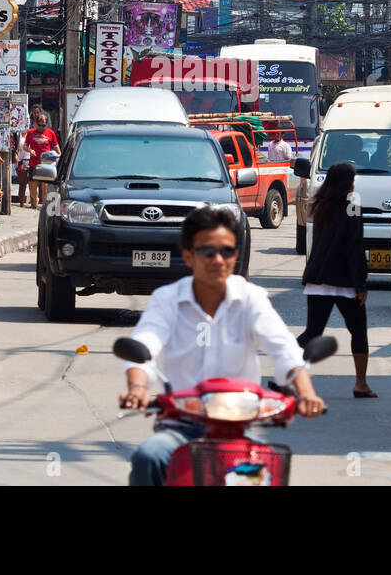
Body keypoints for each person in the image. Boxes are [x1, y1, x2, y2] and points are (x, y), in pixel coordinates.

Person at [120, 207, 326, 486]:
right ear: (189, 255)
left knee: (265, 470)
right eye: (208, 252)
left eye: (227, 251)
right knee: (150, 455)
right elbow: (145, 346)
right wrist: (138, 389)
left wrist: (306, 394)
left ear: (236, 255)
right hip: (180, 427)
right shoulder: (167, 299)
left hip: (237, 427)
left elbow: (283, 348)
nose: (218, 260)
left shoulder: (251, 298)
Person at [299, 161, 374, 397]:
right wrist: (361, 284)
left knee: (312, 332)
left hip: (318, 278)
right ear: (345, 183)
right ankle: (360, 384)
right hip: (343, 280)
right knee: (358, 331)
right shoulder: (352, 207)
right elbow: (354, 248)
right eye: (351, 180)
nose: (354, 184)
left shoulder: (320, 205)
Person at [24, 108, 58, 210]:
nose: (42, 128)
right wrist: (30, 150)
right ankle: (34, 203)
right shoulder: (30, 133)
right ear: (36, 124)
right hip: (33, 164)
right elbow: (25, 146)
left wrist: (58, 158)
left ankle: (44, 205)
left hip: (46, 165)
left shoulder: (51, 133)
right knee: (32, 186)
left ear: (47, 124)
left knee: (45, 186)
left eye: (44, 125)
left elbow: (57, 148)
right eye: (40, 125)